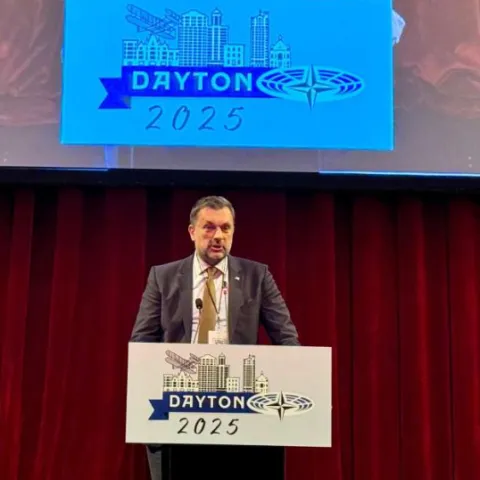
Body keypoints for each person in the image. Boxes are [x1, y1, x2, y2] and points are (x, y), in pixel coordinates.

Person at [130, 195, 300, 480]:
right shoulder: (163, 277)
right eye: (209, 227)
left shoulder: (256, 276)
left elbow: (287, 339)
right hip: (180, 408)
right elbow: (142, 343)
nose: (218, 236)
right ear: (192, 231)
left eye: (225, 228)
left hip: (240, 409)